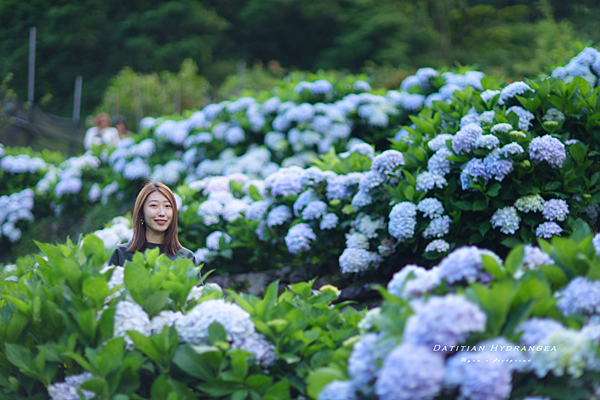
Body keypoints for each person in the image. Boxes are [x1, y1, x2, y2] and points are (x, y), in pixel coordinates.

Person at [108, 182, 196, 266]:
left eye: (167, 206)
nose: (162, 213)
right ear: (141, 212)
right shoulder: (120, 255)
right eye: (154, 205)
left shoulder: (186, 258)